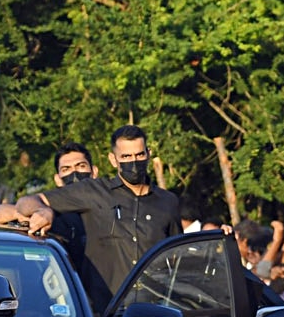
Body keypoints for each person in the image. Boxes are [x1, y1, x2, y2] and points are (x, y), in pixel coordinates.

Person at [41, 125, 182, 292]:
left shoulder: (168, 201)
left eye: (139, 154)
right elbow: (33, 201)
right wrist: (44, 212)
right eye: (126, 156)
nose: (134, 162)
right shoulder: (95, 195)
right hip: (107, 310)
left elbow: (178, 256)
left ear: (148, 154)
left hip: (154, 307)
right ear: (113, 159)